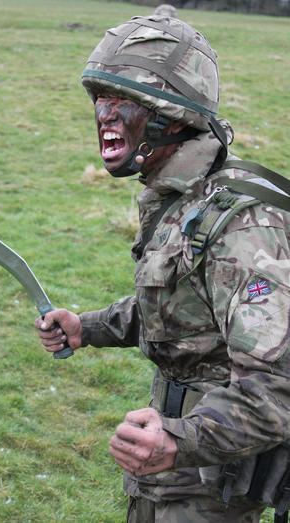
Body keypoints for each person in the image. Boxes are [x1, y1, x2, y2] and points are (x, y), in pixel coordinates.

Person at [36, 14, 290, 523]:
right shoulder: (177, 194)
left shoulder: (241, 226)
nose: (104, 115)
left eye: (122, 101)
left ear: (173, 117)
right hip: (171, 464)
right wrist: (87, 327)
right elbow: (182, 301)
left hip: (211, 477)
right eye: (99, 100)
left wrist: (177, 438)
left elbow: (276, 390)